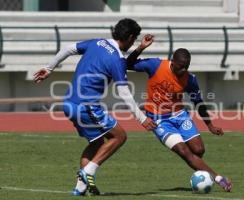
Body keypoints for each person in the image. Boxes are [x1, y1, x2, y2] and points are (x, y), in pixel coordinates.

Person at [33, 19, 157, 196]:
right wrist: (142, 118)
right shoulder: (117, 59)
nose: (134, 42)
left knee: (97, 142)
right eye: (135, 39)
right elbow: (124, 93)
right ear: (130, 37)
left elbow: (68, 48)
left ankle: (79, 188)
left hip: (68, 103)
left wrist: (49, 68)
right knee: (119, 136)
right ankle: (88, 171)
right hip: (86, 106)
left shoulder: (98, 42)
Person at [126, 34, 232, 192]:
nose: (183, 70)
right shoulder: (156, 66)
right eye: (180, 66)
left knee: (198, 150)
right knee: (183, 151)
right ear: (172, 61)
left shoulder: (190, 79)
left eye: (186, 67)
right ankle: (217, 178)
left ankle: (199, 172)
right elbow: (128, 64)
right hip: (158, 120)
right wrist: (141, 47)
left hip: (179, 115)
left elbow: (198, 102)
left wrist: (210, 125)